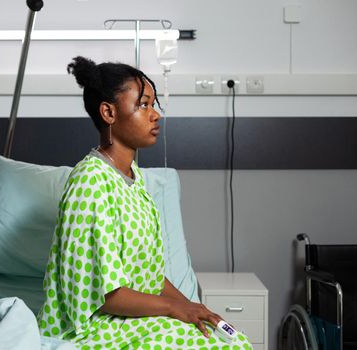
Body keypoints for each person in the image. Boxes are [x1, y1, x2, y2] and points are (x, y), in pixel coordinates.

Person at [38, 56, 252, 350]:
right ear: (108, 112)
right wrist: (174, 309)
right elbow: (108, 296)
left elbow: (148, 274)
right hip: (93, 329)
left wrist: (193, 307)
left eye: (153, 105)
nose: (155, 115)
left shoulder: (133, 179)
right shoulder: (90, 183)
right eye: (143, 105)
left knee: (230, 339)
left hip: (133, 319)